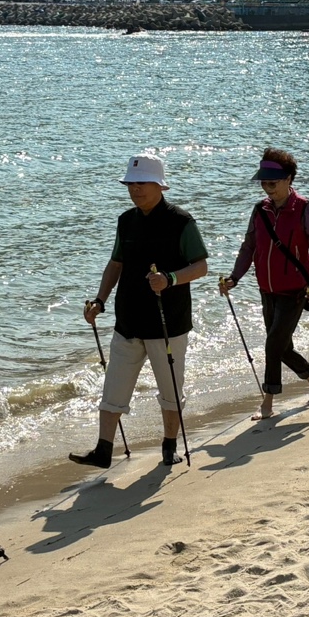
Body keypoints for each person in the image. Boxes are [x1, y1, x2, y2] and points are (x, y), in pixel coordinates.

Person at [72, 153, 209, 469]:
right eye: (131, 183)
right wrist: (100, 300)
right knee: (113, 389)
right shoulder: (126, 220)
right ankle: (104, 449)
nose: (135, 189)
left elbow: (200, 266)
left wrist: (170, 278)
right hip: (128, 321)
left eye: (142, 183)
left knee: (170, 390)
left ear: (159, 185)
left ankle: (169, 446)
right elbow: (116, 263)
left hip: (167, 324)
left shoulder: (181, 222)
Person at [219, 149, 309, 420]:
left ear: (289, 179)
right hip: (267, 289)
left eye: (273, 183)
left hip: (295, 290)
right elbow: (248, 247)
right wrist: (234, 277)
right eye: (264, 183)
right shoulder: (260, 210)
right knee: (281, 346)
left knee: (271, 346)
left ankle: (267, 402)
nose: (268, 188)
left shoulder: (304, 208)